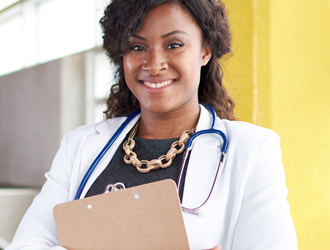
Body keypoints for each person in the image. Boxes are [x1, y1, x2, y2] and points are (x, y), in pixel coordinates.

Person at [6, 0, 298, 249]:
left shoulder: (252, 149)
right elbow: (27, 243)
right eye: (137, 46)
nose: (154, 63)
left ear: (205, 51)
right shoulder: (80, 146)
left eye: (174, 44)